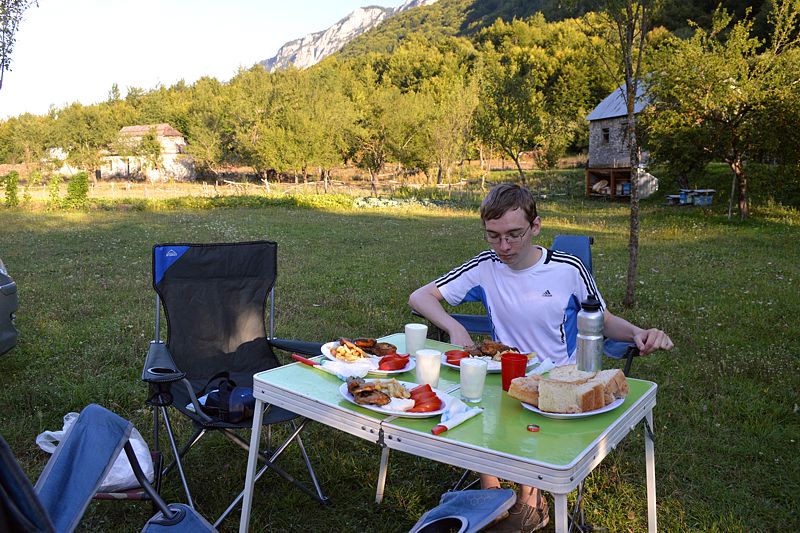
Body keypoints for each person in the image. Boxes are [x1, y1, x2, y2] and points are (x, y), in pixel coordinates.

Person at [408, 183, 673, 532]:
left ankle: (530, 503)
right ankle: (493, 497)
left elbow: (603, 320)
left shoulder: (567, 268)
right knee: (474, 402)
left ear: (535, 226)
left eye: (514, 235)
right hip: (504, 376)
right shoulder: (485, 266)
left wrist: (638, 333)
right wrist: (454, 327)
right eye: (493, 236)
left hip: (560, 380)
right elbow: (420, 297)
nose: (504, 247)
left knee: (529, 423)